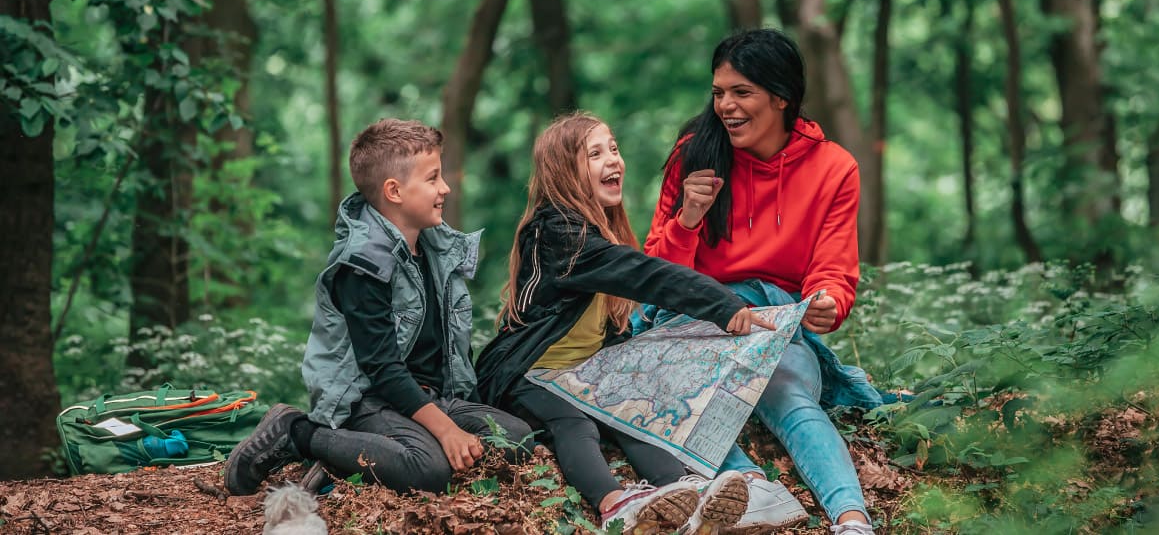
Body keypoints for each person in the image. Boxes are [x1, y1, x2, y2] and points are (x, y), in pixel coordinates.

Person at [474, 112, 774, 535]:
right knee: (575, 422)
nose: (613, 159)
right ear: (563, 173)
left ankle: (686, 493)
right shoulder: (560, 232)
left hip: (580, 374)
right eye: (595, 153)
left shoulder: (601, 229)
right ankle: (616, 504)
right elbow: (644, 274)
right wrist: (722, 304)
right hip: (525, 374)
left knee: (631, 410)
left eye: (613, 148)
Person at [643, 28, 879, 535]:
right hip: (698, 320)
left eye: (741, 92)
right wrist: (687, 219)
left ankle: (853, 520)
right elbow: (654, 273)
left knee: (790, 394)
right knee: (673, 401)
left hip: (775, 322)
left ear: (781, 97)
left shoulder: (834, 168)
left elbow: (834, 270)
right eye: (718, 92)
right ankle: (751, 490)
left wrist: (827, 302)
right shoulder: (694, 156)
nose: (725, 106)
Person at [224, 119, 533, 497]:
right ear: (394, 191)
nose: (445, 188)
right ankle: (298, 434)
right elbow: (382, 369)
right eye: (433, 178)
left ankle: (354, 461)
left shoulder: (435, 247)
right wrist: (447, 430)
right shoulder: (362, 264)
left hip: (426, 398)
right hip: (367, 400)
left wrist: (457, 421)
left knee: (516, 440)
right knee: (428, 470)